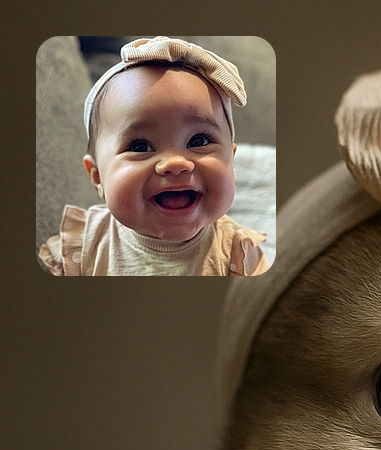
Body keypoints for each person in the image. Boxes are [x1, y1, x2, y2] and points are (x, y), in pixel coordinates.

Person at [39, 37, 268, 276]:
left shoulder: (237, 253)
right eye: (140, 146)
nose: (175, 163)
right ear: (97, 178)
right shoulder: (81, 248)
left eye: (198, 141)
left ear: (231, 160)